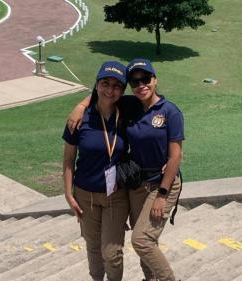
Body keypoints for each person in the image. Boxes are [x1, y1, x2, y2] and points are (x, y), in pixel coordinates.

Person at [69, 58, 184, 281]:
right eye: (135, 81)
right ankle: (149, 278)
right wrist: (80, 106)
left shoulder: (170, 111)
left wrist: (162, 195)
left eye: (146, 79)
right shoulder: (130, 105)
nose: (141, 85)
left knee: (141, 240)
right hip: (135, 183)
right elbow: (102, 94)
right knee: (146, 237)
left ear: (155, 79)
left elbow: (176, 155)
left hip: (161, 183)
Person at [63, 61, 130, 281]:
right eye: (105, 83)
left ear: (123, 89)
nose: (110, 90)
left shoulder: (128, 112)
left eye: (117, 85)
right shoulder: (79, 119)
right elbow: (68, 159)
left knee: (111, 253)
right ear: (97, 84)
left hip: (116, 196)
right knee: (93, 247)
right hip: (85, 195)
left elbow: (156, 106)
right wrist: (68, 193)